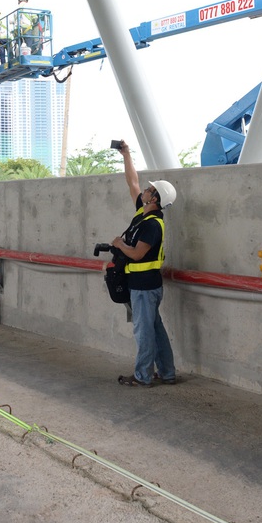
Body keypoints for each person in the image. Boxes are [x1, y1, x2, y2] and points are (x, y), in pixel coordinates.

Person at [110, 140, 177, 387]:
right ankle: (167, 372)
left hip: (144, 287)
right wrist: (126, 154)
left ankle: (143, 375)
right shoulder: (143, 214)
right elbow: (132, 182)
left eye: (150, 190)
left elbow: (137, 254)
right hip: (145, 286)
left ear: (155, 199)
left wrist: (119, 245)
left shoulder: (151, 224)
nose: (145, 190)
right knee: (155, 330)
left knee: (144, 332)